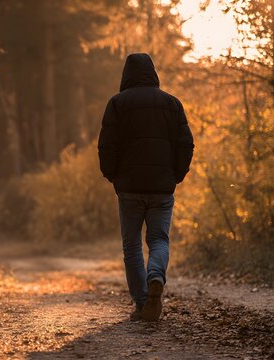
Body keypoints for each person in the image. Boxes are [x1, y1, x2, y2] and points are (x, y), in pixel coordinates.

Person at [98, 53, 194, 322]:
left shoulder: (117, 104)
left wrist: (112, 176)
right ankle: (155, 278)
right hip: (162, 188)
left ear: (126, 75)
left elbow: (107, 145)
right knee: (159, 240)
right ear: (153, 73)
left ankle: (142, 304)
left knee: (131, 246)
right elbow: (186, 144)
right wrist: (175, 175)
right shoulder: (172, 104)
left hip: (128, 188)